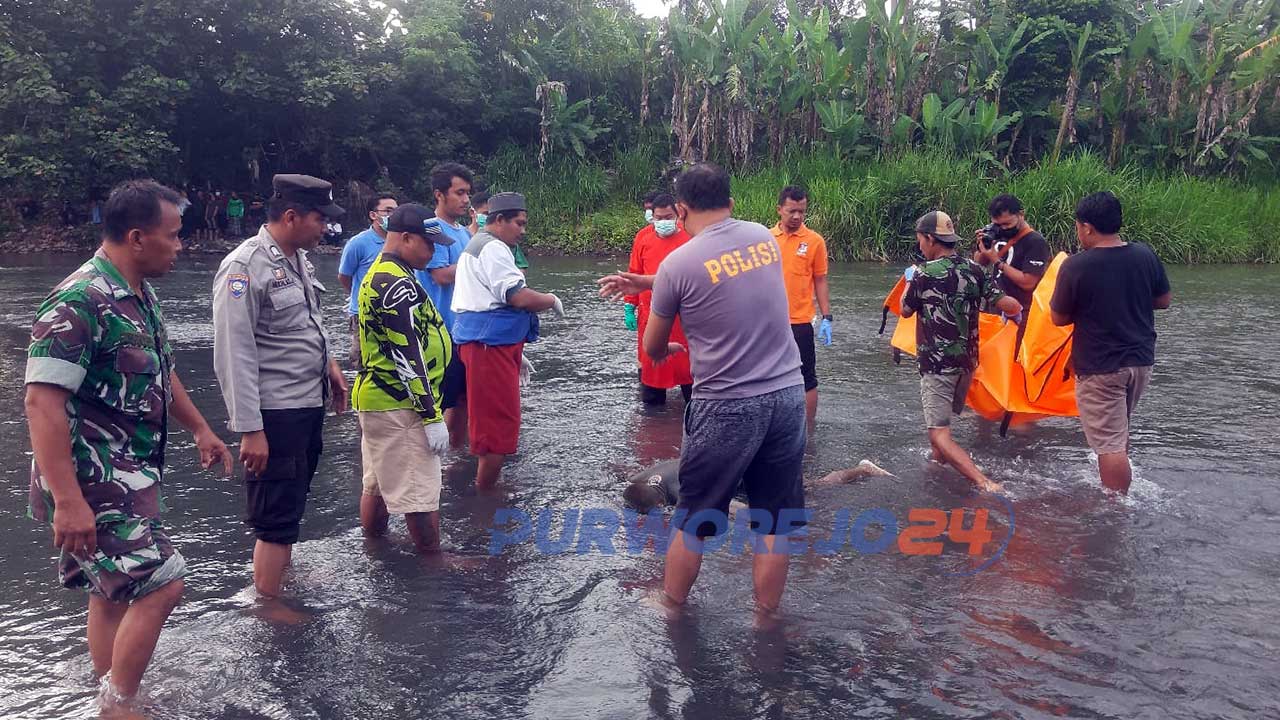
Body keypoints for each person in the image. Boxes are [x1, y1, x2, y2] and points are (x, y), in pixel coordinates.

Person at [23, 180, 233, 708]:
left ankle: (106, 689)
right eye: (174, 235)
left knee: (110, 589)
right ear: (138, 237)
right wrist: (68, 502)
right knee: (164, 580)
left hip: (132, 471)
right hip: (90, 479)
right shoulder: (78, 301)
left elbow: (162, 371)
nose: (181, 245)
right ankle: (119, 705)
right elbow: (40, 404)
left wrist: (200, 428)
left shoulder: (140, 294)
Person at [597, 163, 807, 614]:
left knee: (692, 517)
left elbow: (652, 349)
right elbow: (719, 272)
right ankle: (765, 619)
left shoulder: (678, 263)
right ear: (730, 204)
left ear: (682, 209)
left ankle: (671, 606)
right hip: (788, 395)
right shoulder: (763, 238)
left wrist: (668, 338)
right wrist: (650, 281)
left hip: (728, 404)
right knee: (774, 521)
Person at [212, 174, 349, 599]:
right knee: (274, 513)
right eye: (318, 218)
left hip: (306, 403)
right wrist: (250, 429)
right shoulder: (244, 266)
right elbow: (233, 352)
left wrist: (330, 366)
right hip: (275, 413)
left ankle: (279, 582)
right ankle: (267, 604)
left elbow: (302, 325)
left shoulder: (296, 260)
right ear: (291, 216)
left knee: (292, 501)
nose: (325, 227)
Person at [1050, 191, 1171, 494]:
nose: (1078, 232)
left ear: (1087, 227)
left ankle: (1117, 506)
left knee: (1109, 445)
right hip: (1141, 361)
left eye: (1078, 226)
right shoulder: (1144, 254)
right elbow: (1164, 300)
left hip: (1101, 366)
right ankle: (1120, 485)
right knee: (1118, 432)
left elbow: (1058, 318)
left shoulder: (1076, 266)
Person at [352, 204, 455, 554]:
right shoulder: (394, 283)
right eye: (429, 243)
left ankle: (374, 551)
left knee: (377, 484)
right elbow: (406, 355)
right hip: (399, 404)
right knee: (420, 493)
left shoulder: (389, 273)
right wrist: (431, 417)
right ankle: (432, 565)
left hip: (380, 400)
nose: (434, 251)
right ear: (406, 237)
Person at [901, 211, 1022, 493]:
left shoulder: (923, 274)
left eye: (921, 240)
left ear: (931, 239)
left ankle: (984, 482)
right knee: (940, 429)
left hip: (937, 365)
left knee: (939, 433)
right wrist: (1016, 316)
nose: (920, 246)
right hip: (967, 365)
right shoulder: (975, 270)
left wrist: (909, 280)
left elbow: (906, 310)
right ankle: (936, 471)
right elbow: (1011, 305)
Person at [451, 192, 564, 489]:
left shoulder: (476, 245)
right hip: (489, 347)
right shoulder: (494, 248)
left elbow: (483, 300)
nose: (523, 231)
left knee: (486, 421)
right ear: (498, 220)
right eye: (519, 223)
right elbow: (517, 296)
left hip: (486, 342)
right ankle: (486, 502)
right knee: (496, 428)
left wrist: (516, 347)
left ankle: (474, 488)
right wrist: (550, 300)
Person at [419, 163, 475, 448]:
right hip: (438, 330)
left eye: (468, 193)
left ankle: (455, 463)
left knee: (462, 400)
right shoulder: (432, 229)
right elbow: (440, 275)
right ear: (439, 194)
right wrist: (475, 265)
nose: (466, 199)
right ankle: (436, 463)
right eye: (459, 193)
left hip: (461, 330)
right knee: (439, 403)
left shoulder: (464, 232)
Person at [770, 186, 832, 424]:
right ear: (779, 210)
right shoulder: (766, 239)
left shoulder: (814, 241)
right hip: (769, 322)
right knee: (768, 376)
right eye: (792, 211)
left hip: (800, 322)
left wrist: (827, 317)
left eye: (802, 211)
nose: (797, 216)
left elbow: (820, 280)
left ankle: (808, 429)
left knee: (807, 378)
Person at [623, 193, 693, 405]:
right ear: (651, 217)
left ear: (678, 214)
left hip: (685, 317)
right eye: (659, 218)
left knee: (690, 377)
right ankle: (654, 431)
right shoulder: (643, 238)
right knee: (652, 381)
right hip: (651, 315)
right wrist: (629, 305)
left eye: (668, 216)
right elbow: (634, 273)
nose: (663, 222)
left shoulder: (691, 236)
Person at [623, 459, 891, 513]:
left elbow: (731, 508)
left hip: (745, 472)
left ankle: (863, 470)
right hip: (734, 463)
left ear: (659, 502)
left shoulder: (676, 492)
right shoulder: (640, 477)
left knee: (814, 488)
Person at [338, 194, 398, 367]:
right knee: (364, 360)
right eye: (388, 211)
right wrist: (359, 296)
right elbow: (344, 276)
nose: (392, 216)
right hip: (363, 314)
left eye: (396, 211)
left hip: (393, 311)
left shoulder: (400, 241)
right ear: (373, 215)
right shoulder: (358, 243)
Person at [973, 194, 1051, 313]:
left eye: (1007, 224)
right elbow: (979, 263)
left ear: (1021, 214)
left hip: (1020, 312)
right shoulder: (996, 233)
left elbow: (1028, 283)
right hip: (996, 309)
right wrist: (983, 246)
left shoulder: (1035, 242)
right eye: (998, 225)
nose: (1003, 228)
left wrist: (998, 262)